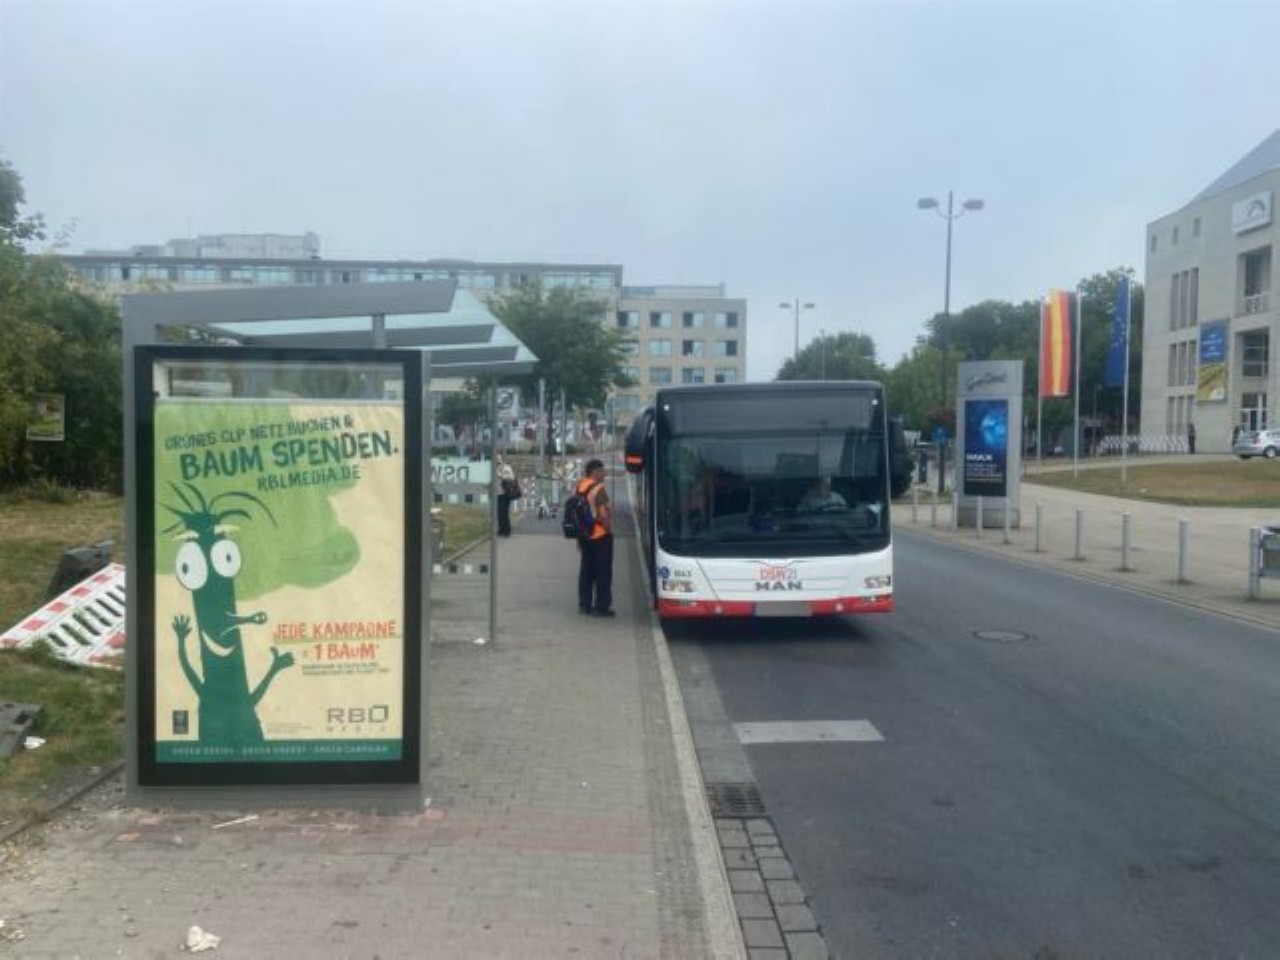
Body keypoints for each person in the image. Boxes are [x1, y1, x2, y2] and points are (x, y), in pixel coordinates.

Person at [576, 458, 614, 617]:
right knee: (603, 572)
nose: (604, 474)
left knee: (586, 571)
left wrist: (579, 538)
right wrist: (609, 530)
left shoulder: (580, 487)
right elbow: (603, 514)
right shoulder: (599, 489)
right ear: (595, 472)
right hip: (600, 536)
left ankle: (584, 604)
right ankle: (601, 607)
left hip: (584, 535)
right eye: (602, 471)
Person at [496, 456, 517, 537]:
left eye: (499, 460)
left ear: (501, 460)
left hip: (505, 493)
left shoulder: (506, 468)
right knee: (498, 513)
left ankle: (507, 530)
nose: (498, 462)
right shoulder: (493, 468)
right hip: (497, 493)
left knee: (504, 512)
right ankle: (501, 529)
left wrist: (501, 476)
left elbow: (512, 477)